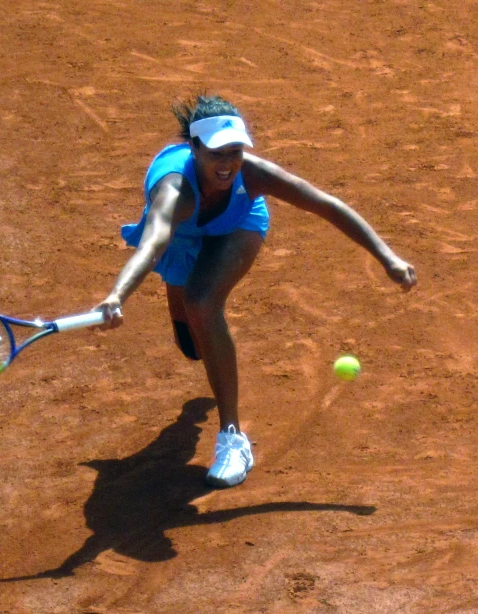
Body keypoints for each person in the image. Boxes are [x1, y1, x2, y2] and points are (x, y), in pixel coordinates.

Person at [95, 95, 417, 489]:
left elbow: (326, 206)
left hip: (237, 224)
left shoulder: (252, 175)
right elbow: (153, 243)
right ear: (193, 148)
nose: (228, 163)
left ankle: (233, 439)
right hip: (181, 232)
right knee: (190, 344)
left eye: (235, 150)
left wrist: (387, 258)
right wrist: (117, 295)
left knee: (201, 302)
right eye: (217, 153)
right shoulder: (173, 191)